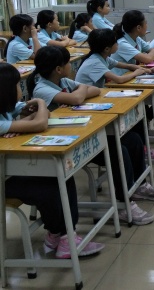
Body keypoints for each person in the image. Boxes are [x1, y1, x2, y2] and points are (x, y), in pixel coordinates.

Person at [0, 63, 105, 259]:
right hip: (4, 181)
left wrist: (21, 122)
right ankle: (63, 236)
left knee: (63, 175)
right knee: (48, 188)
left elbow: (43, 116)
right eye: (16, 85)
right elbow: (41, 122)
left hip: (13, 170)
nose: (20, 89)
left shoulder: (7, 109)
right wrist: (39, 105)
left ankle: (61, 236)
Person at [75, 30, 154, 225]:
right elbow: (118, 79)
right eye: (115, 43)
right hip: (89, 119)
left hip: (99, 110)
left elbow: (122, 65)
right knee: (121, 151)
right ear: (107, 48)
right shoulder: (93, 62)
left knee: (134, 139)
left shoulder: (102, 57)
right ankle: (124, 201)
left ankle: (138, 186)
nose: (118, 45)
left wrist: (144, 69)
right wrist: (137, 72)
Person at [110, 10, 154, 130]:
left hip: (133, 77)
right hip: (120, 83)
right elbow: (149, 58)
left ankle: (150, 121)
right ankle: (147, 121)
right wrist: (151, 53)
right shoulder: (122, 43)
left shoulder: (137, 38)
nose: (147, 26)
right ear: (138, 27)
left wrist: (151, 53)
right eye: (145, 23)